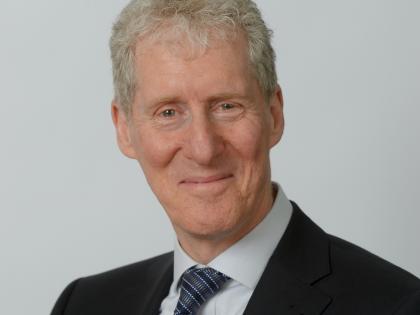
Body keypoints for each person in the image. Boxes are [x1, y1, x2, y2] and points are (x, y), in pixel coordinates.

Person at [51, 0, 420, 314]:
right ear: (124, 129)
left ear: (273, 114)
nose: (203, 148)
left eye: (227, 106)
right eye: (168, 112)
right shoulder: (84, 304)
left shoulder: (398, 305)